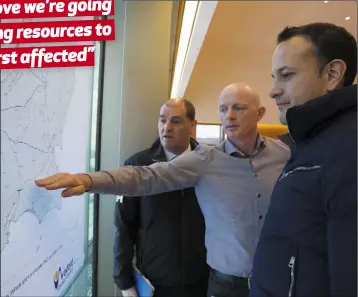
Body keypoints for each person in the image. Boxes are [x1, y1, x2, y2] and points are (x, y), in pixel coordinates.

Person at [35, 83, 291, 297]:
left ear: (259, 113)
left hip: (274, 277)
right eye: (223, 109)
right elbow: (145, 177)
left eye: (238, 108)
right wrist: (89, 180)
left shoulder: (284, 154)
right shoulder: (205, 161)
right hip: (218, 284)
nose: (229, 116)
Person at [250, 23, 357, 297]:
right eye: (274, 77)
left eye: (286, 75)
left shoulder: (349, 146)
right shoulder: (310, 140)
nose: (273, 90)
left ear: (332, 74)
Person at [116, 99, 209, 297]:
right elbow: (124, 226)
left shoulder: (209, 166)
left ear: (192, 126)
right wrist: (124, 282)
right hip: (156, 285)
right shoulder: (137, 166)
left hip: (203, 283)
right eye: (162, 121)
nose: (167, 127)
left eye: (176, 121)